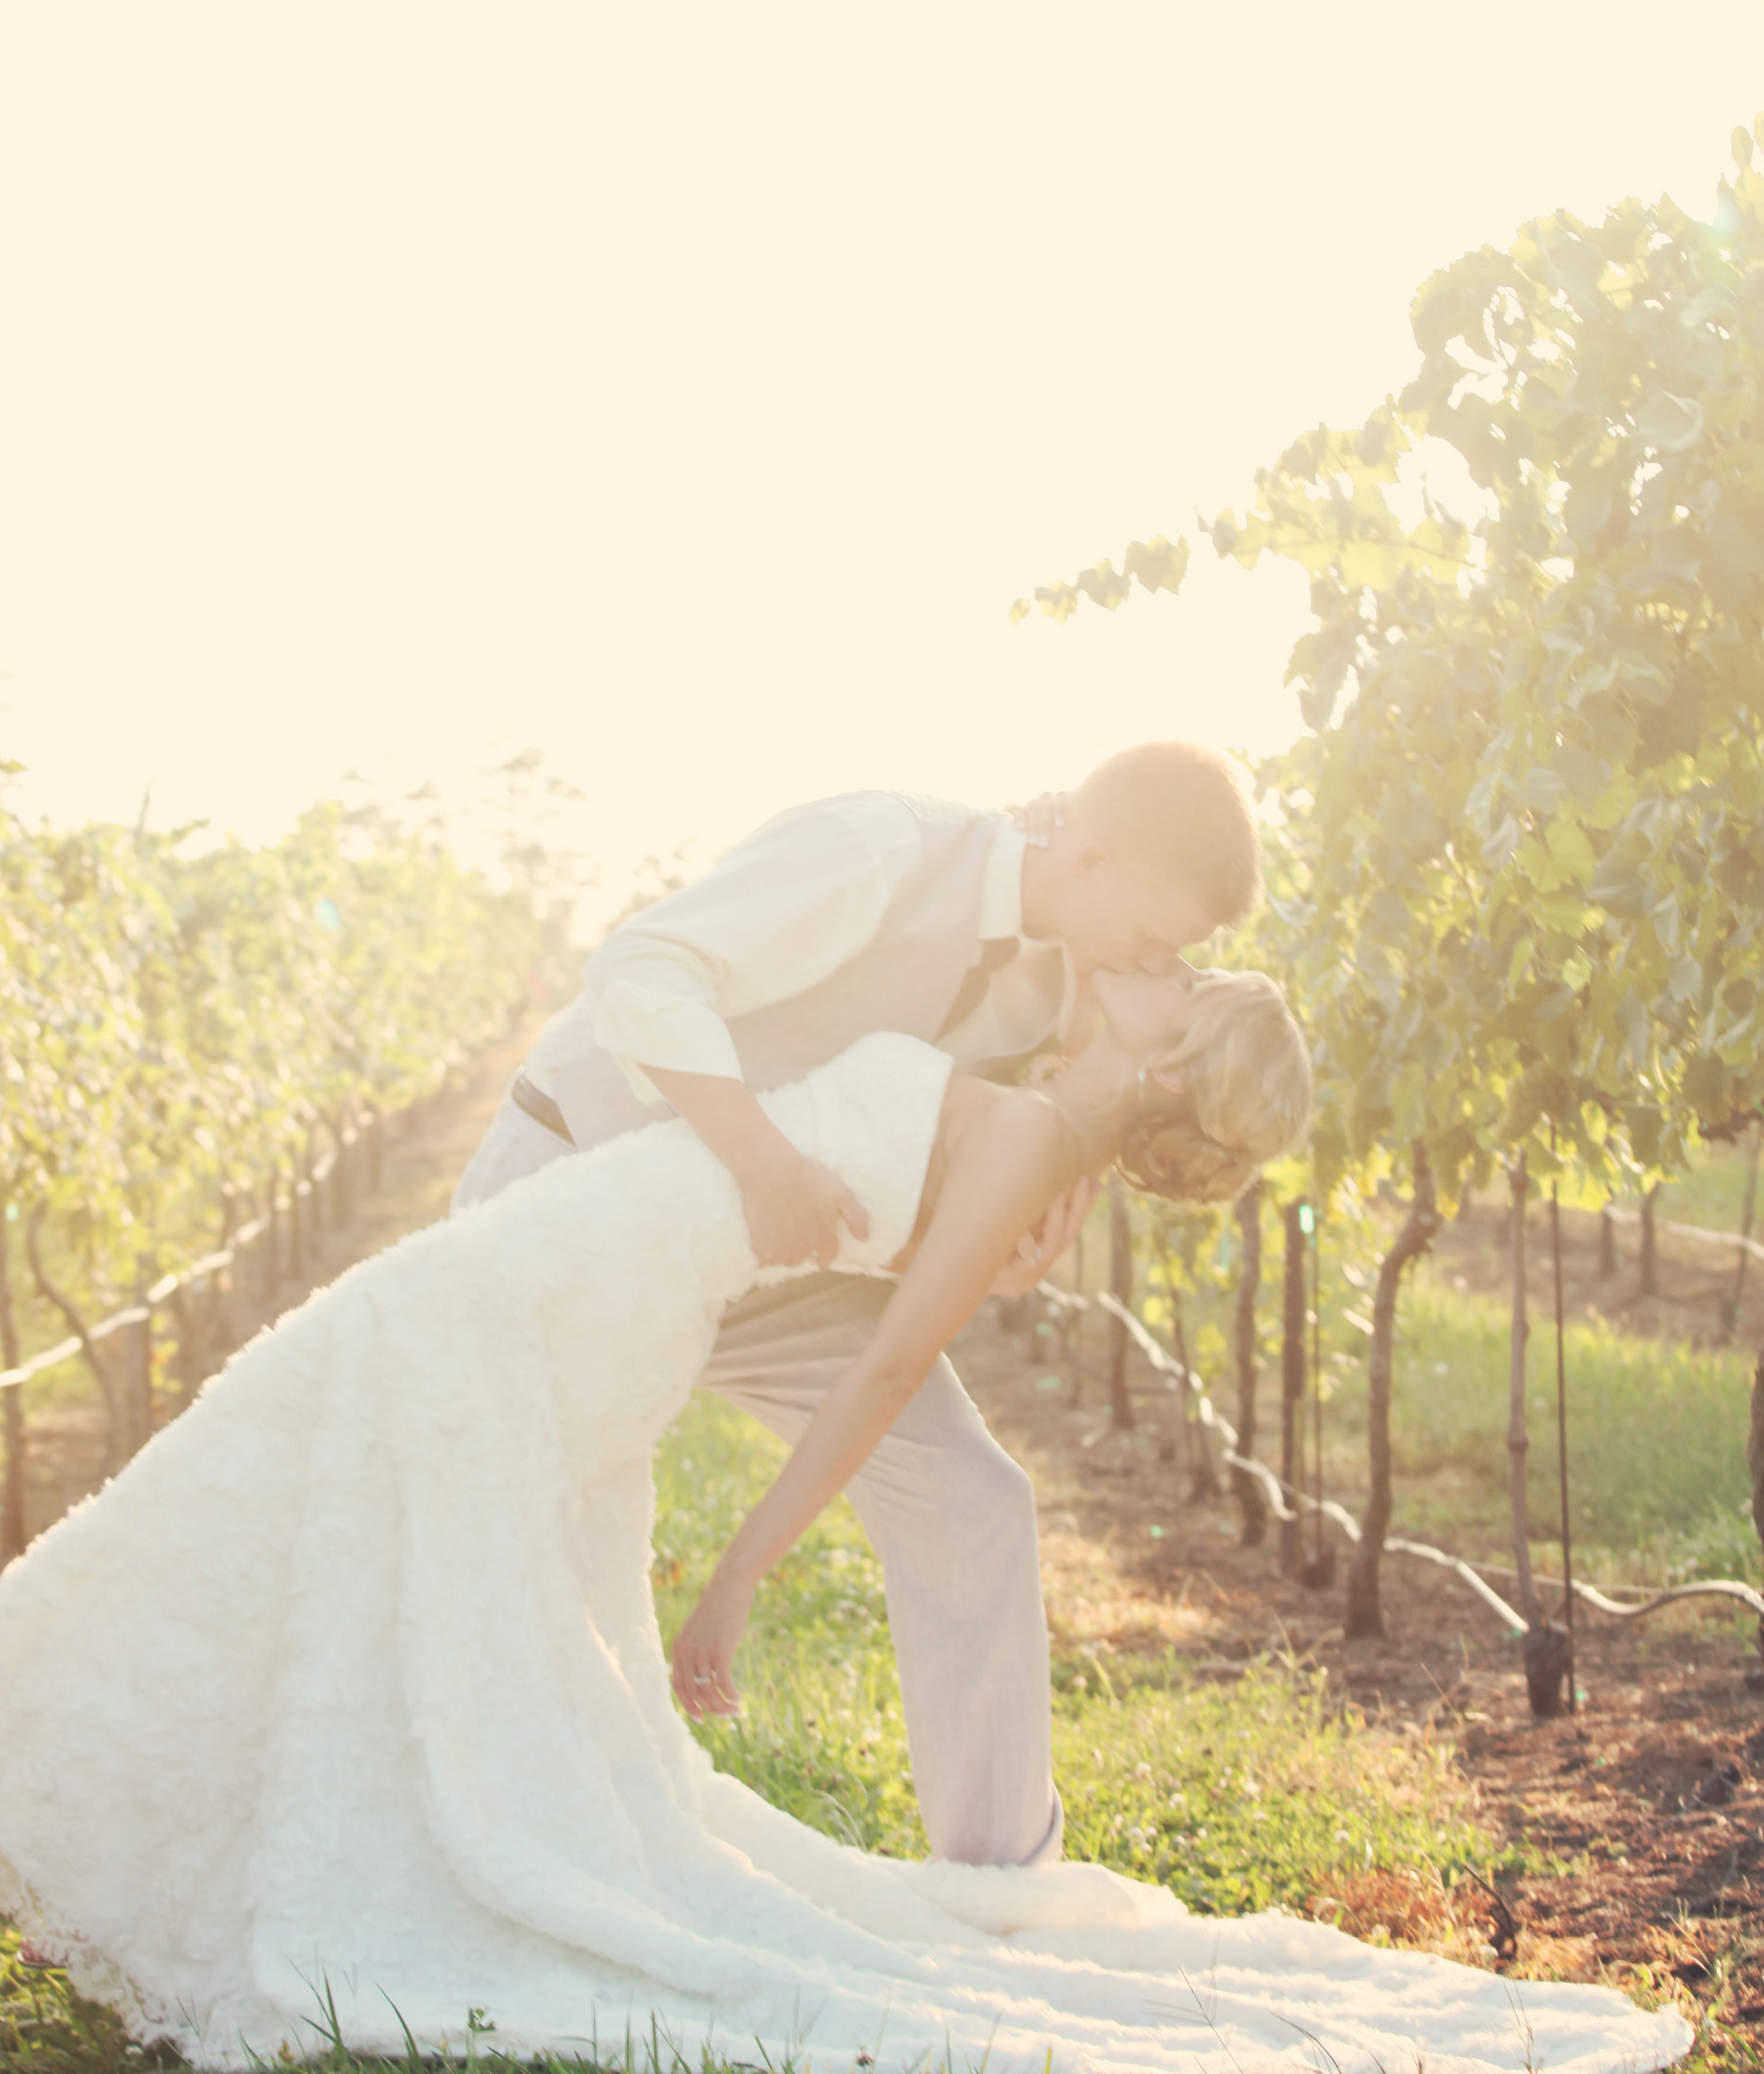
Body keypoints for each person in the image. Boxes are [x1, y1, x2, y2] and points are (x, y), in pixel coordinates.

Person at [0, 975, 1687, 2074]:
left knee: (345, 1484)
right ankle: (216, 1819)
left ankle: (239, 1838)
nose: (1141, 987)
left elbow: (879, 1379)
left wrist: (735, 1574)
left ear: (1154, 1052)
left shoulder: (1008, 1151)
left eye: (1170, 994)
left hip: (583, 1284)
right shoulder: (1015, 1100)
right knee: (331, 1486)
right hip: (585, 1264)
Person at [452, 748, 1261, 1866]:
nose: (1160, 960)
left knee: (971, 1499)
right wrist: (761, 1162)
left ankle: (1000, 1882)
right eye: (1154, 935)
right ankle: (502, 1820)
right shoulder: (877, 847)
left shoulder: (1061, 979)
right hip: (581, 1183)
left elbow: (890, 1141)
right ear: (1088, 855)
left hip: (774, 1259)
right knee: (502, 1512)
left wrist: (979, 1242)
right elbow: (640, 967)